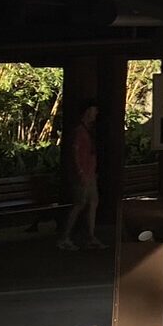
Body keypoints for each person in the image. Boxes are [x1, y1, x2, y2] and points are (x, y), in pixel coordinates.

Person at [59, 100, 104, 250]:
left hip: (90, 173)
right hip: (83, 173)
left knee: (92, 202)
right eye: (93, 111)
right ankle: (65, 237)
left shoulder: (89, 130)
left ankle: (90, 236)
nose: (95, 114)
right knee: (79, 204)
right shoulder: (80, 132)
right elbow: (76, 154)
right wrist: (81, 173)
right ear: (87, 112)